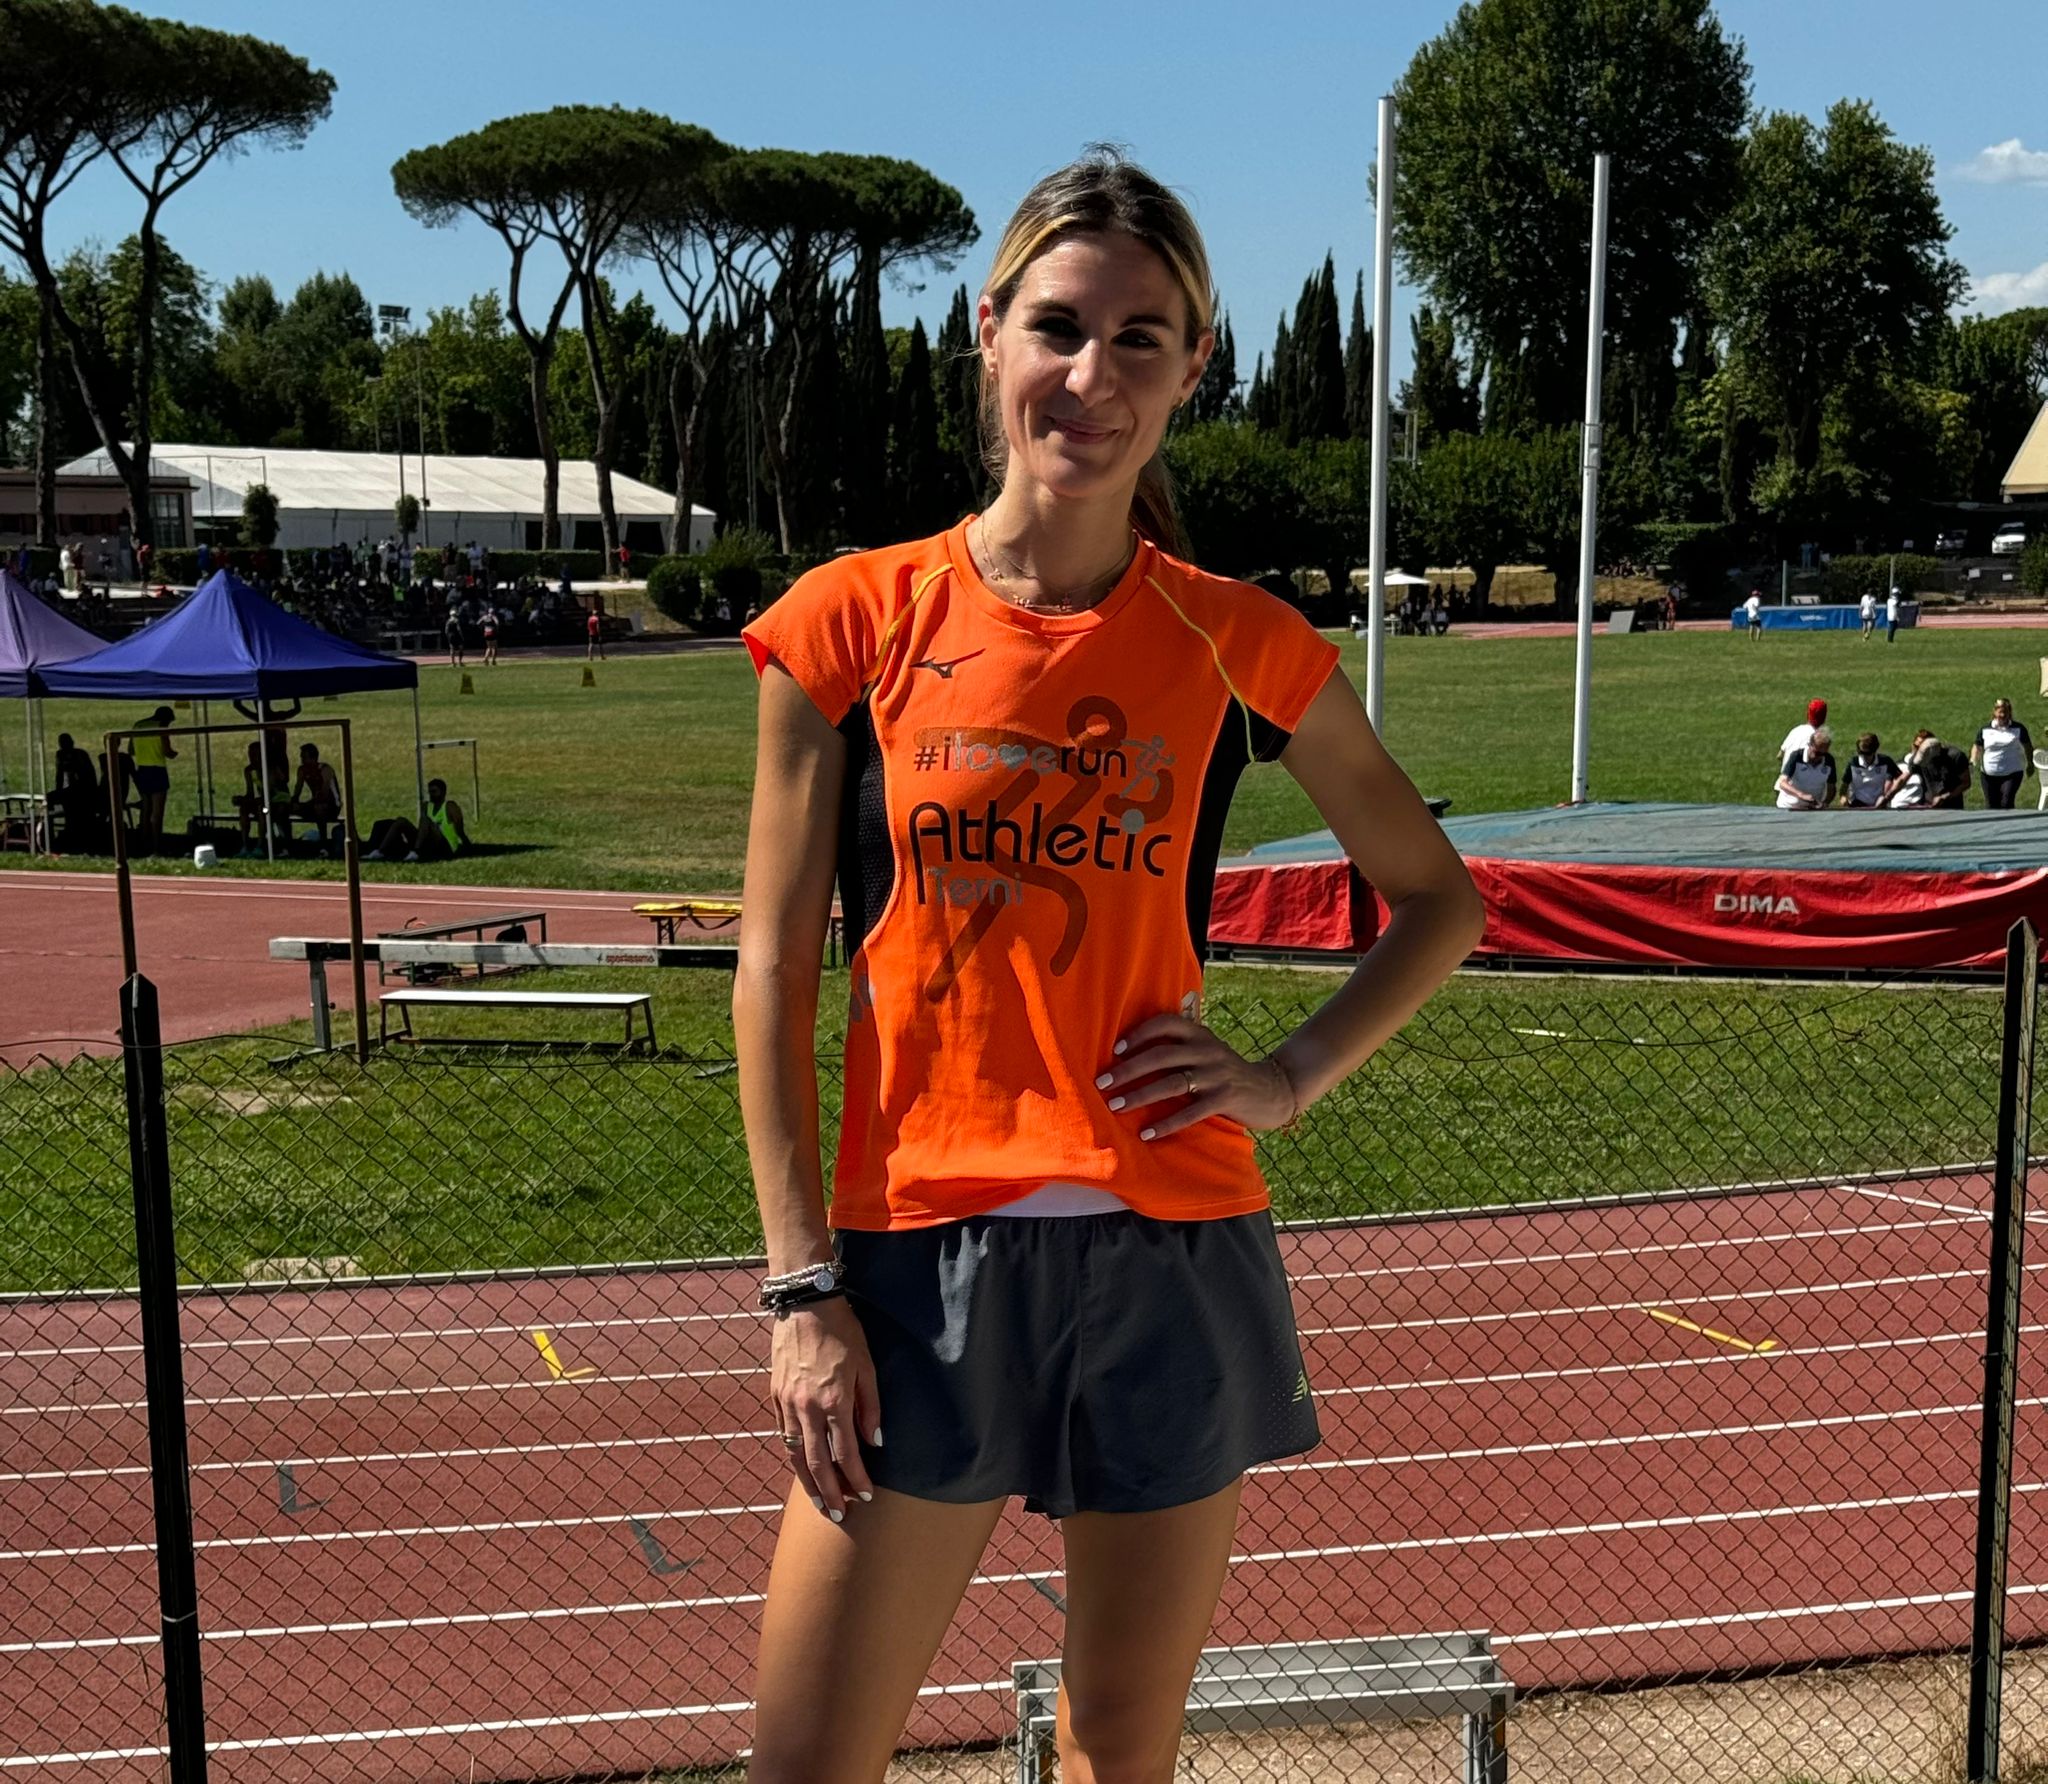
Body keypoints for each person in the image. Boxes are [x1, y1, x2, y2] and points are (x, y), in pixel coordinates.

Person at [732, 148, 1485, 1784]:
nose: (1093, 374)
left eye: (1141, 337)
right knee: (806, 1763)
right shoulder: (849, 622)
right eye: (1059, 327)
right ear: (989, 330)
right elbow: (773, 971)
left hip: (1172, 1252)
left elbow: (1437, 897)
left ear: (1192, 366)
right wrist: (800, 1290)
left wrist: (1288, 1076)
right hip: (912, 1260)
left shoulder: (1235, 637)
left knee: (1117, 1752)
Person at [362, 777, 468, 862]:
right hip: (428, 842)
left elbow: (459, 828)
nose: (431, 795)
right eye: (430, 792)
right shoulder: (427, 806)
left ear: (443, 792)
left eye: (434, 792)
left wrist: (466, 844)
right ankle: (380, 851)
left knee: (426, 820)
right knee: (401, 821)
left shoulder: (449, 806)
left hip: (445, 845)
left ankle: (416, 851)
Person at [231, 738, 294, 857]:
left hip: (279, 799)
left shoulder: (271, 768)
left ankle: (260, 846)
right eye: (250, 754)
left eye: (255, 754)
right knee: (244, 808)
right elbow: (250, 792)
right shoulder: (249, 770)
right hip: (263, 800)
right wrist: (242, 799)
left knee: (262, 808)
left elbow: (271, 792)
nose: (251, 757)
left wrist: (257, 800)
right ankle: (245, 845)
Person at [128, 705, 177, 853]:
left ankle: (143, 842)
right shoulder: (161, 727)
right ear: (166, 718)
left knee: (145, 809)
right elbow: (167, 751)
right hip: (157, 770)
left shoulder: (138, 725)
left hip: (142, 769)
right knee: (157, 812)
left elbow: (131, 750)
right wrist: (174, 754)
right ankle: (157, 845)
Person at [1971, 697, 2035, 810]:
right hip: (1988, 775)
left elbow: (2028, 746)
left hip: (2012, 773)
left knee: (2006, 803)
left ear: (2010, 712)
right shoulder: (1985, 729)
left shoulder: (2018, 729)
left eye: (2006, 712)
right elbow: (1977, 746)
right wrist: (1973, 760)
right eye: (2000, 712)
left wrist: (2030, 763)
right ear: (1995, 712)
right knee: (1991, 806)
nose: (2003, 715)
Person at [46, 732, 99, 848]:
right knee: (50, 798)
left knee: (70, 801)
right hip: (71, 789)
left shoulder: (80, 754)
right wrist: (58, 790)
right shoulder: (60, 754)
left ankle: (72, 828)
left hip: (84, 789)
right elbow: (59, 775)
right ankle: (49, 832)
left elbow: (87, 775)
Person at [289, 741, 342, 853]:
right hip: (314, 804)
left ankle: (324, 844)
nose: (302, 760)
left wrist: (309, 804)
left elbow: (324, 794)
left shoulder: (325, 770)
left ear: (313, 758)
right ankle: (287, 844)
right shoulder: (302, 770)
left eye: (304, 757)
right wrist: (293, 802)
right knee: (288, 808)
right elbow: (298, 789)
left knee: (319, 808)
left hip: (332, 806)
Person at [1775, 725, 1836, 810]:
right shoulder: (1796, 756)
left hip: (1812, 809)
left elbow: (1831, 787)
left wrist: (1825, 803)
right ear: (1810, 745)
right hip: (1788, 807)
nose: (1819, 757)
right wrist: (1801, 795)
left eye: (1823, 754)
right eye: (1817, 753)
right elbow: (1782, 783)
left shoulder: (1829, 761)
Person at [1839, 733, 1899, 809]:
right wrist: (1843, 798)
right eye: (1861, 752)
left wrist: (1886, 796)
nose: (1863, 756)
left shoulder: (1886, 762)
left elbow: (1900, 780)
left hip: (1880, 805)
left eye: (1867, 753)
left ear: (1874, 750)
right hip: (1857, 805)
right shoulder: (1853, 763)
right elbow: (1844, 786)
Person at [1882, 731, 1936, 808]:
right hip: (1897, 807)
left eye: (1922, 748)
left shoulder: (1933, 769)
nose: (1918, 750)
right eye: (1916, 746)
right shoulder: (1899, 765)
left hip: (1919, 808)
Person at [1778, 697, 1826, 765]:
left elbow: (1780, 755)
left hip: (1786, 771)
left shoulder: (1796, 730)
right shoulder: (1818, 739)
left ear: (1808, 714)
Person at [443, 604, 464, 668]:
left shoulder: (448, 621)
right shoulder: (457, 620)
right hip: (457, 635)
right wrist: (461, 635)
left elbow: (446, 630)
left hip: (451, 636)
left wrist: (447, 636)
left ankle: (453, 663)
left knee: (452, 649)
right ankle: (460, 662)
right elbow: (459, 629)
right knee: (460, 648)